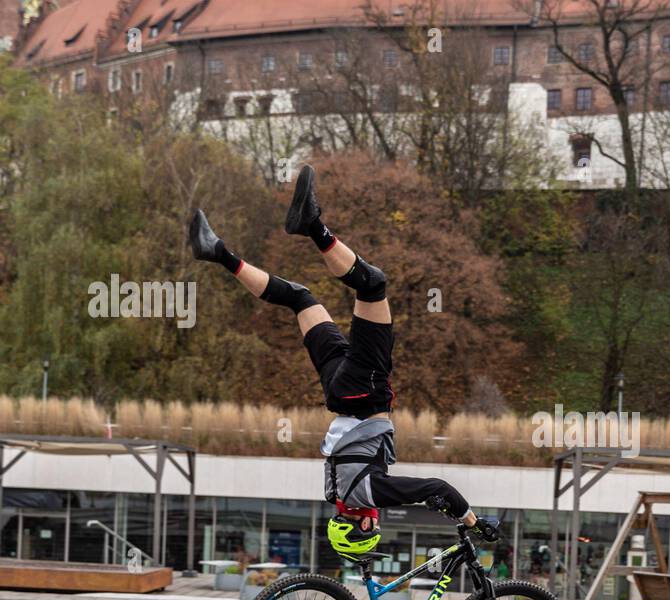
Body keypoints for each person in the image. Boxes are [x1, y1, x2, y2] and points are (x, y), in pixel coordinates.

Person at [189, 164, 496, 559]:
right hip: (338, 389)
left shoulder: (366, 491)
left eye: (374, 523)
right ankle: (217, 252)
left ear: (365, 524)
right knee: (299, 298)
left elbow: (440, 489)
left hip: (365, 390)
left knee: (373, 284)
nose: (377, 519)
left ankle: (313, 226)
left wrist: (474, 521)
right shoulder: (334, 490)